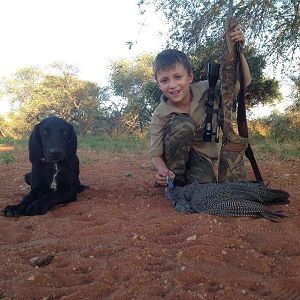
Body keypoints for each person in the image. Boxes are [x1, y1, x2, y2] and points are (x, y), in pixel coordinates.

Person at [149, 24, 251, 187]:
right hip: (174, 165)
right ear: (158, 84)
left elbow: (243, 82)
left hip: (202, 158)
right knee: (183, 124)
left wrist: (239, 50)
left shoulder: (208, 88)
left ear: (190, 77)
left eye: (177, 77)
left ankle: (193, 180)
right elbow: (155, 154)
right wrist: (162, 171)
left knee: (205, 190)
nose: (172, 85)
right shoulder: (159, 113)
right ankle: (176, 180)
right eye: (164, 80)